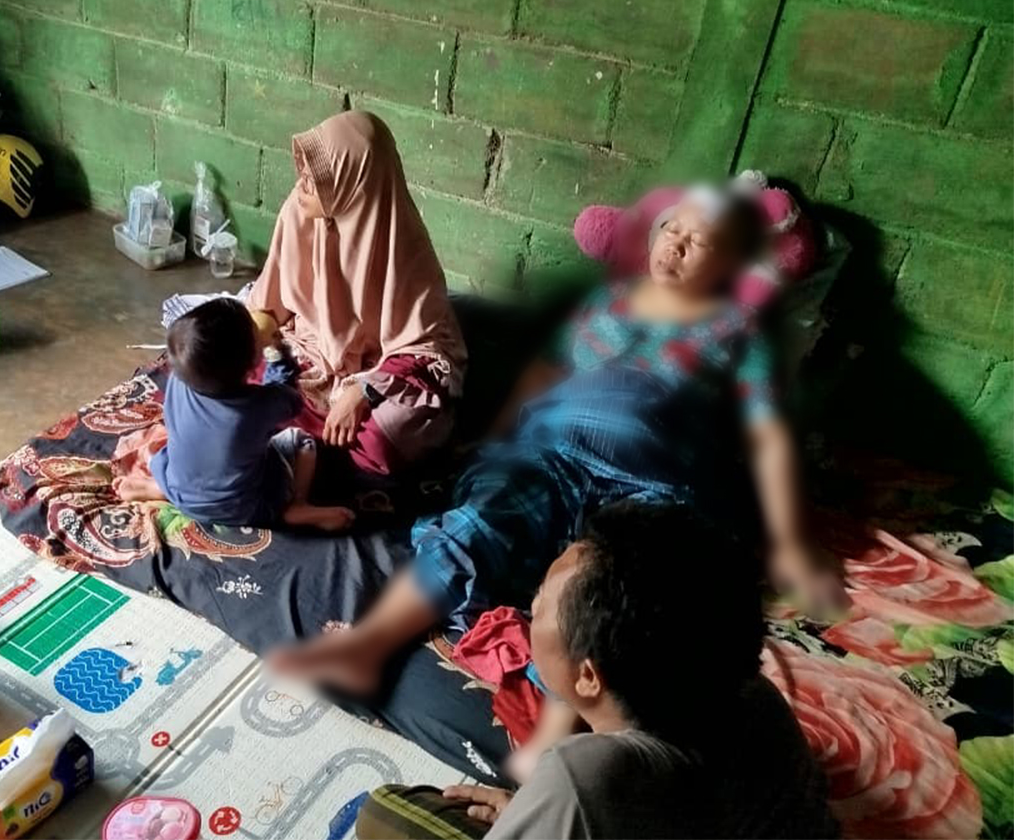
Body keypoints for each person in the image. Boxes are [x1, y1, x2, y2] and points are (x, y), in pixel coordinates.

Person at [270, 183, 848, 694]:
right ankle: (367, 646)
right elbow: (545, 374)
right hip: (551, 456)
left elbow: (768, 436)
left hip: (652, 482)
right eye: (671, 228)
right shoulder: (609, 305)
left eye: (698, 241)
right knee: (475, 525)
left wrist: (789, 542)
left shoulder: (738, 333)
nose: (675, 244)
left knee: (622, 586)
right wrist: (496, 440)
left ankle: (576, 696)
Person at [356, 503, 839, 839]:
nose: (527, 610)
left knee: (385, 812)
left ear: (588, 677)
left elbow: (598, 796)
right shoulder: (749, 690)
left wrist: (544, 810)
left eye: (538, 607)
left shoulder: (580, 776)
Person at [248, 111, 467, 478]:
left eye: (318, 176)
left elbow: (423, 348)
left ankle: (298, 445)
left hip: (381, 364)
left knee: (393, 433)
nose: (303, 183)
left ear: (356, 182)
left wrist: (363, 392)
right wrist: (254, 343)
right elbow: (268, 306)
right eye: (305, 171)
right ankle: (312, 448)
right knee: (230, 374)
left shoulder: (404, 248)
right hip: (311, 350)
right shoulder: (298, 212)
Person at [117, 298, 354, 531]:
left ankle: (160, 489)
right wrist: (275, 352)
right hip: (243, 508)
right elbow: (289, 396)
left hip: (179, 487)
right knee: (302, 441)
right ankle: (297, 505)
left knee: (178, 454)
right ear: (252, 365)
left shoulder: (180, 377)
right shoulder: (254, 410)